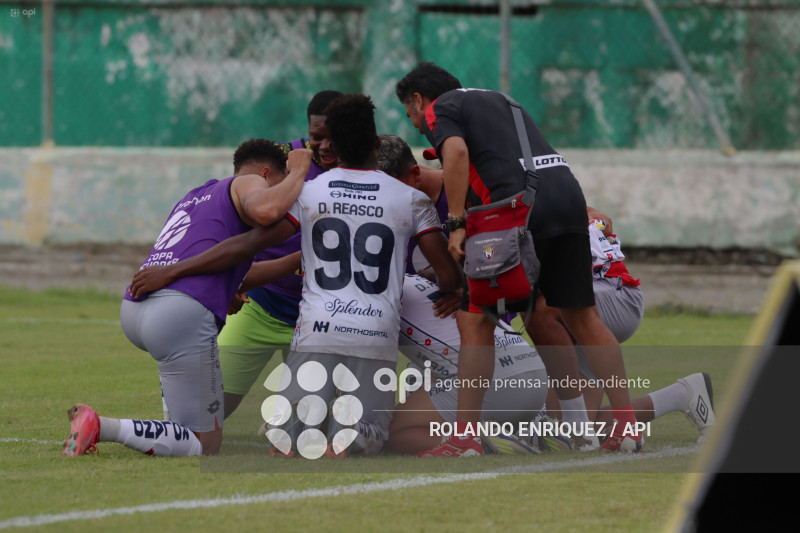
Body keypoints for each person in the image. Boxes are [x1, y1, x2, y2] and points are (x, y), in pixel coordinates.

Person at [128, 94, 463, 458]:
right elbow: (447, 273)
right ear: (376, 144)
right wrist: (452, 289)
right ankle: (346, 442)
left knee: (288, 440)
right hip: (375, 331)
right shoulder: (412, 200)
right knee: (364, 441)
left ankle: (295, 437)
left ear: (333, 146)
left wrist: (174, 270)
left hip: (317, 328)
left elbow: (245, 246)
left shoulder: (309, 192)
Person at [395, 61, 642, 455]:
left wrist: (456, 223)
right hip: (568, 199)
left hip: (515, 209)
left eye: (410, 112)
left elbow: (455, 152)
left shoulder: (440, 109)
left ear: (419, 100)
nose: (416, 123)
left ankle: (464, 438)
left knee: (473, 319)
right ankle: (621, 427)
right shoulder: (501, 100)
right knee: (574, 317)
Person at [62, 140, 313, 457]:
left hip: (139, 307)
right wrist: (299, 172)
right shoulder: (249, 182)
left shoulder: (196, 196)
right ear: (265, 174)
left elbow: (231, 266)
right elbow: (267, 209)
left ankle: (166, 421)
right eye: (281, 183)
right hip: (179, 313)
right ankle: (100, 425)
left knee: (185, 426)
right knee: (206, 445)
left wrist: (297, 259)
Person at [217, 90, 343, 420]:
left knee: (314, 427)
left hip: (325, 318)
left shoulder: (367, 166)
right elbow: (237, 209)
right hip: (263, 304)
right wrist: (235, 277)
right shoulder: (280, 160)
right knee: (209, 408)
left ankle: (297, 414)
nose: (325, 146)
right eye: (317, 137)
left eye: (334, 137)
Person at [385, 274, 548, 456]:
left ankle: (485, 442)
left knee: (386, 434)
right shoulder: (418, 279)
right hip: (535, 374)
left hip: (497, 384)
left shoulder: (382, 291)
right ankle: (530, 432)